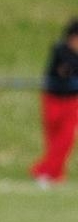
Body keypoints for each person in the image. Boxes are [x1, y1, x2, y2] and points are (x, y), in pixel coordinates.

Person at [30, 17, 78, 185]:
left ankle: (43, 171)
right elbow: (65, 70)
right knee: (53, 136)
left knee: (66, 138)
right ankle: (54, 174)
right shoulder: (60, 50)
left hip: (72, 100)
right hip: (53, 98)